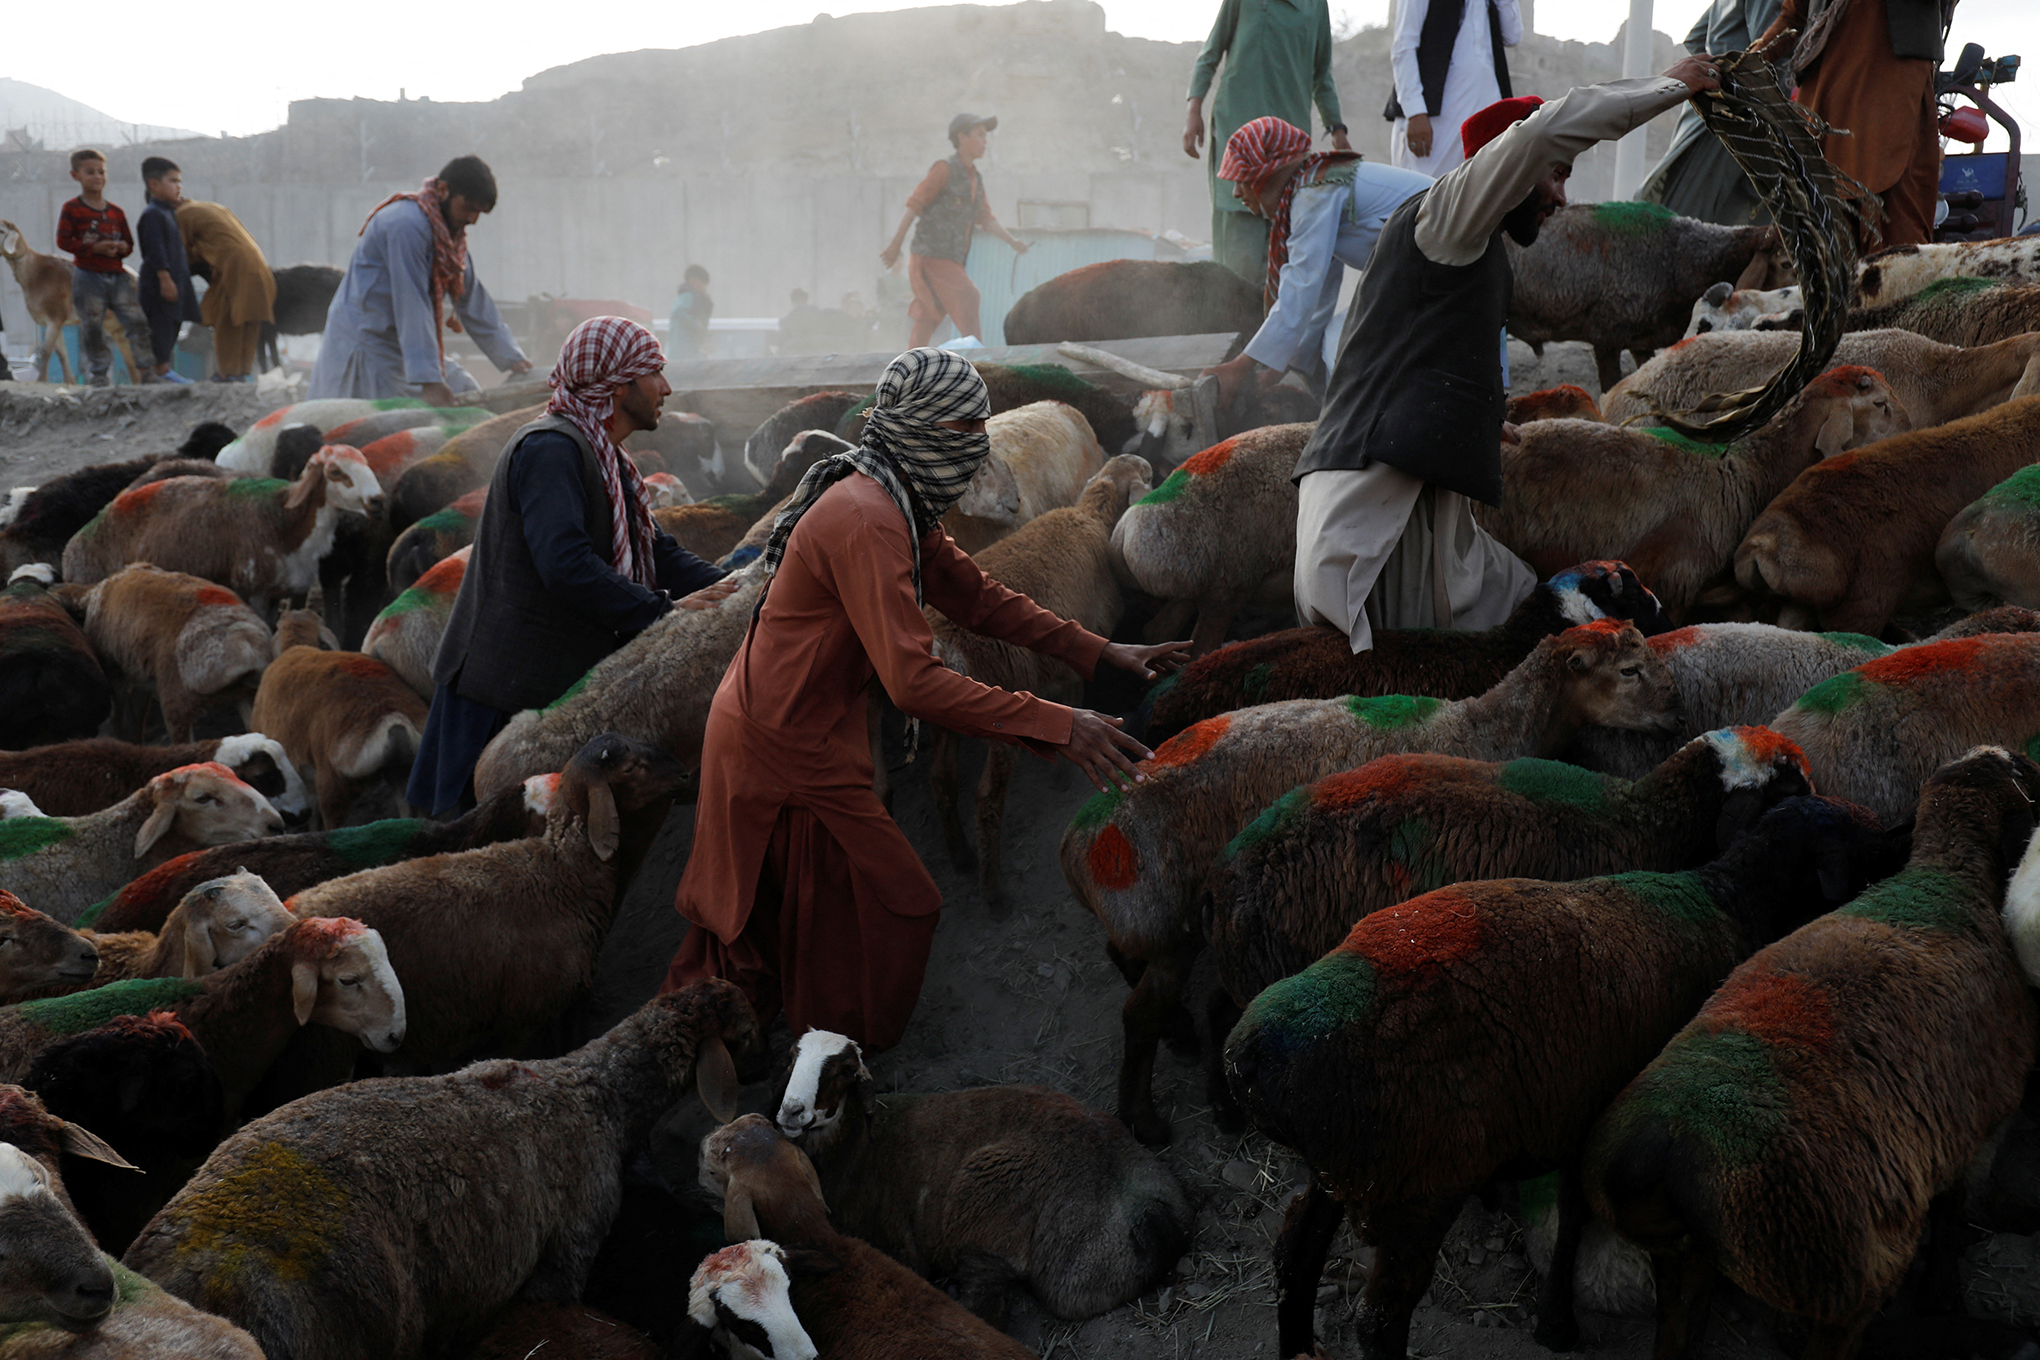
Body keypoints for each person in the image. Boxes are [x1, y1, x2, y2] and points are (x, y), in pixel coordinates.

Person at [659, 348, 1189, 1051]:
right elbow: (912, 682)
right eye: (969, 431)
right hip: (781, 744)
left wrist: (1095, 650)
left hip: (797, 730)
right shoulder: (868, 517)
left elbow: (979, 597)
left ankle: (785, 1057)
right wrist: (1059, 723)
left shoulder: (895, 500)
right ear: (926, 434)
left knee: (787, 914)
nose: (980, 449)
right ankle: (821, 1058)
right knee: (885, 905)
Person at [1295, 58, 1723, 655]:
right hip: (1380, 506)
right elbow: (1545, 132)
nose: (1561, 197)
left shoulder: (1464, 246)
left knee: (1528, 612)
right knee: (1410, 677)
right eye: (1555, 175)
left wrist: (1472, 415)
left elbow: (1403, 352)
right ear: (1508, 164)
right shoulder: (1445, 214)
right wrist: (1671, 86)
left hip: (1415, 496)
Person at [409, 316, 733, 815]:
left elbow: (656, 551)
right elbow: (565, 564)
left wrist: (738, 592)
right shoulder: (551, 448)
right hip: (497, 692)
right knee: (464, 838)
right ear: (619, 385)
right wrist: (664, 614)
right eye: (654, 374)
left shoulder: (605, 456)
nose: (666, 388)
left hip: (538, 688)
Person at [1202, 117, 1433, 404]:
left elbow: (1301, 287)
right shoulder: (1318, 184)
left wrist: (1239, 367)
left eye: (1242, 178)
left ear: (1269, 173)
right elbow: (1320, 292)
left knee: (1343, 345)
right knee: (1340, 339)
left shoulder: (1314, 193)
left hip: (1443, 274)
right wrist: (1283, 368)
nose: (1236, 192)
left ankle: (1368, 429)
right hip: (1425, 277)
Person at [309, 154, 532, 404]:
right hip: (368, 342)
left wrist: (514, 360)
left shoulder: (450, 238)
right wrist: (430, 381)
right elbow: (411, 303)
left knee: (467, 393)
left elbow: (472, 299)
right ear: (443, 190)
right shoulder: (405, 225)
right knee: (368, 426)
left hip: (405, 348)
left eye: (479, 212)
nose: (473, 220)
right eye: (468, 208)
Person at [1755, 0, 1954, 250]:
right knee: (1823, 243)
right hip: (1823, 108)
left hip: (1892, 102)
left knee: (1897, 245)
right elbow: (1793, 17)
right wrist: (1747, 62)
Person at [1184, 0, 1350, 287]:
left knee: (1285, 238)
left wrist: (1337, 130)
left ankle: (1276, 327)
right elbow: (1210, 53)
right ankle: (1233, 326)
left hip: (1288, 144)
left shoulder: (1315, 6)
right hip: (1237, 132)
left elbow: (1322, 74)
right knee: (1238, 247)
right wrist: (1193, 110)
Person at [880, 114, 1031, 349]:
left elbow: (986, 218)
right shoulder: (944, 169)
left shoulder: (975, 179)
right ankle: (978, 359)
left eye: (985, 136)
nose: (985, 141)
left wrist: (1012, 242)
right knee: (969, 296)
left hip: (951, 257)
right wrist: (895, 244)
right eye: (980, 135)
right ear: (962, 137)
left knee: (929, 313)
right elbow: (914, 204)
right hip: (931, 254)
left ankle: (910, 362)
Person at [1639, 0, 1784, 224]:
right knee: (1685, 228)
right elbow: (1769, 54)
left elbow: (1696, 38)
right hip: (1733, 118)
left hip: (1713, 115)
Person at [1386, 0, 1523, 178]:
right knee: (1427, 191)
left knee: (1478, 191)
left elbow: (1513, 36)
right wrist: (1415, 112)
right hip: (1436, 116)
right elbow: (1403, 47)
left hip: (1484, 108)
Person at [56, 149, 154, 388]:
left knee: (137, 322)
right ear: (75, 175)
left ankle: (146, 371)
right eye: (90, 172)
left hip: (118, 276)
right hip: (88, 276)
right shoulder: (72, 209)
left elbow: (129, 244)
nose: (97, 177)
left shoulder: (115, 212)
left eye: (101, 172)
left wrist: (119, 247)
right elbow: (64, 241)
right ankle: (99, 375)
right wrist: (95, 249)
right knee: (92, 327)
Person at [176, 197, 276, 382]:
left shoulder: (181, 215)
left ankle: (227, 373)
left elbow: (182, 253)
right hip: (257, 264)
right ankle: (240, 372)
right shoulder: (213, 207)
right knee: (248, 321)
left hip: (234, 266)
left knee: (227, 320)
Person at [136, 157, 199, 385]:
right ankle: (159, 371)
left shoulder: (167, 213)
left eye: (179, 181)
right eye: (172, 181)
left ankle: (163, 370)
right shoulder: (152, 214)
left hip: (176, 282)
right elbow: (154, 251)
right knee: (160, 329)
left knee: (173, 325)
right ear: (153, 184)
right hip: (160, 286)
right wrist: (165, 278)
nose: (178, 186)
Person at [670, 265, 713, 360]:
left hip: (683, 351)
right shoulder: (688, 295)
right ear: (693, 281)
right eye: (703, 283)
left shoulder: (687, 295)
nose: (704, 287)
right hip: (682, 352)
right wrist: (697, 325)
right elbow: (678, 312)